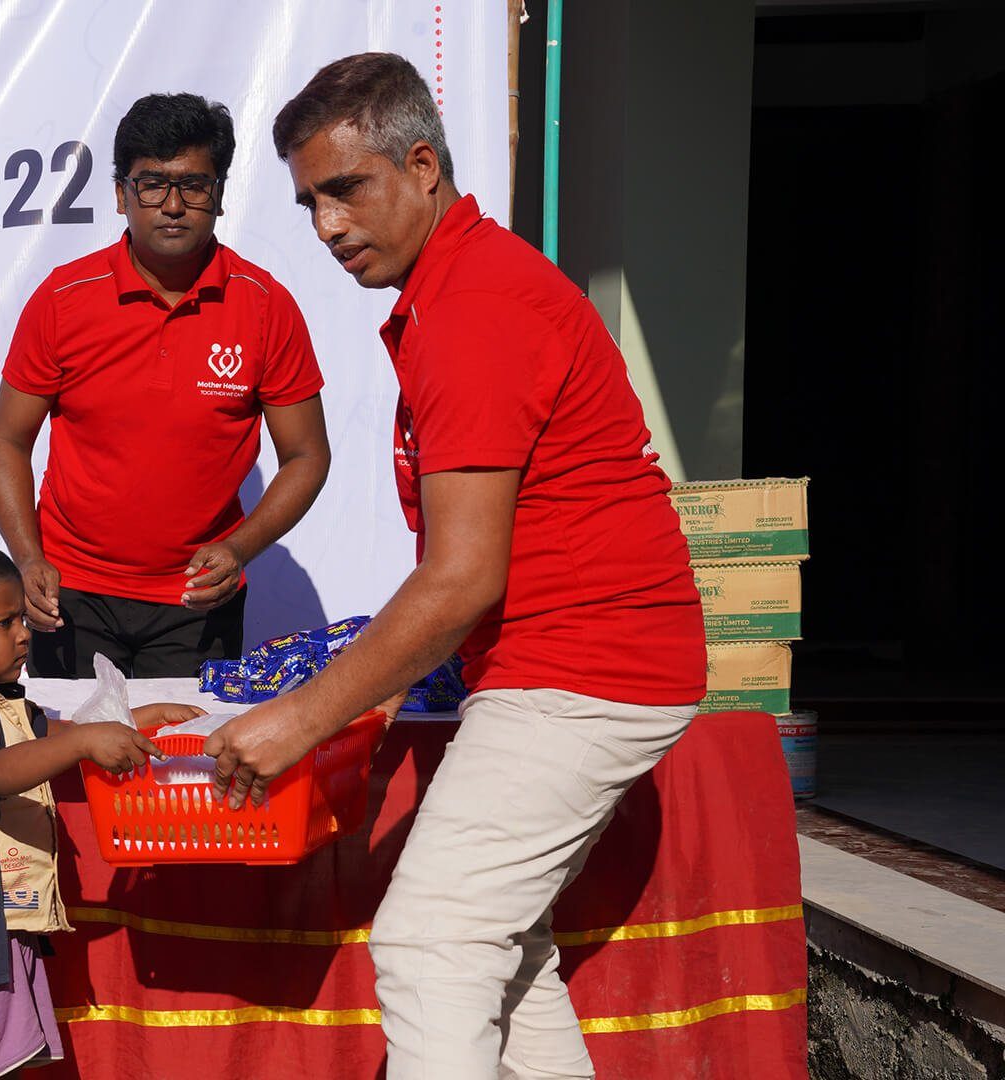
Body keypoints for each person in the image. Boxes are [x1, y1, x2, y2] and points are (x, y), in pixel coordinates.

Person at [202, 54, 708, 1078]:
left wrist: (305, 719)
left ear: (422, 166)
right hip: (574, 662)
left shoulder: (474, 305)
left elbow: (463, 576)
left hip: (584, 666)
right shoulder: (461, 288)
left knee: (431, 945)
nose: (328, 226)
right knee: (497, 957)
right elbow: (468, 564)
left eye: (348, 189)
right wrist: (376, 691)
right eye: (309, 203)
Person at [0, 92, 332, 679]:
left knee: (185, 744)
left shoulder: (265, 306)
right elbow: (5, 440)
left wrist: (239, 548)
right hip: (70, 594)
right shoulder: (64, 299)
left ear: (219, 194)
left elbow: (307, 455)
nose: (173, 205)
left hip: (198, 600)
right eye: (151, 185)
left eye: (193, 185)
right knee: (76, 741)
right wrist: (28, 558)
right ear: (121, 195)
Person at [0, 539, 201, 1079]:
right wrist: (84, 744)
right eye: (5, 622)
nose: (23, 634)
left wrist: (139, 718)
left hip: (5, 921)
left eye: (22, 619)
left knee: (8, 1064)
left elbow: (56, 734)